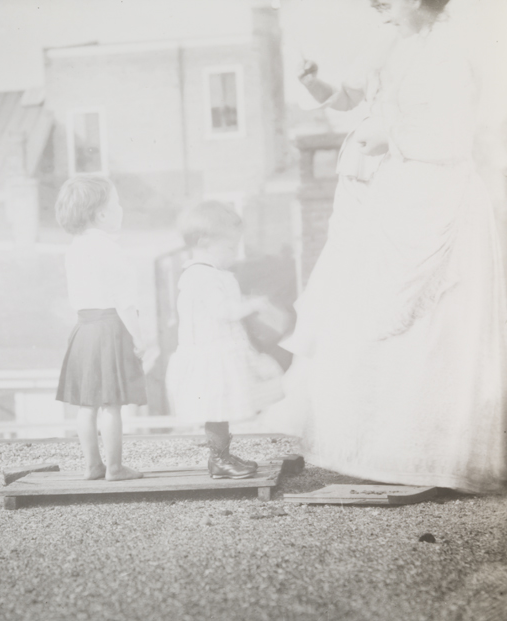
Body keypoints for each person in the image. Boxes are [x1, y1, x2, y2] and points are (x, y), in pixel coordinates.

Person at [263, 0, 507, 493]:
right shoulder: (384, 38)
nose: (380, 9)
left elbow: (454, 134)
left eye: (388, 2)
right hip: (387, 190)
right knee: (366, 310)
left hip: (438, 191)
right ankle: (372, 449)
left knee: (433, 323)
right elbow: (348, 95)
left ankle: (429, 453)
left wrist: (390, 135)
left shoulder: (455, 48)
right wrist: (314, 82)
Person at [166, 201, 284, 479]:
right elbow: (223, 312)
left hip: (220, 350)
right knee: (216, 407)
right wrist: (253, 304)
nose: (234, 254)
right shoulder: (200, 276)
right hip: (210, 354)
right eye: (230, 248)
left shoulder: (210, 275)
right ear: (204, 241)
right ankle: (218, 459)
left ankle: (221, 457)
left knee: (221, 407)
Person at [55, 175, 146, 482]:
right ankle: (116, 467)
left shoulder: (73, 249)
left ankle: (92, 465)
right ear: (102, 214)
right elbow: (125, 302)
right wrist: (138, 336)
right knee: (111, 404)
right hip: (109, 327)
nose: (121, 209)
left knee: (86, 405)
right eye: (116, 204)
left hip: (83, 329)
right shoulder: (110, 249)